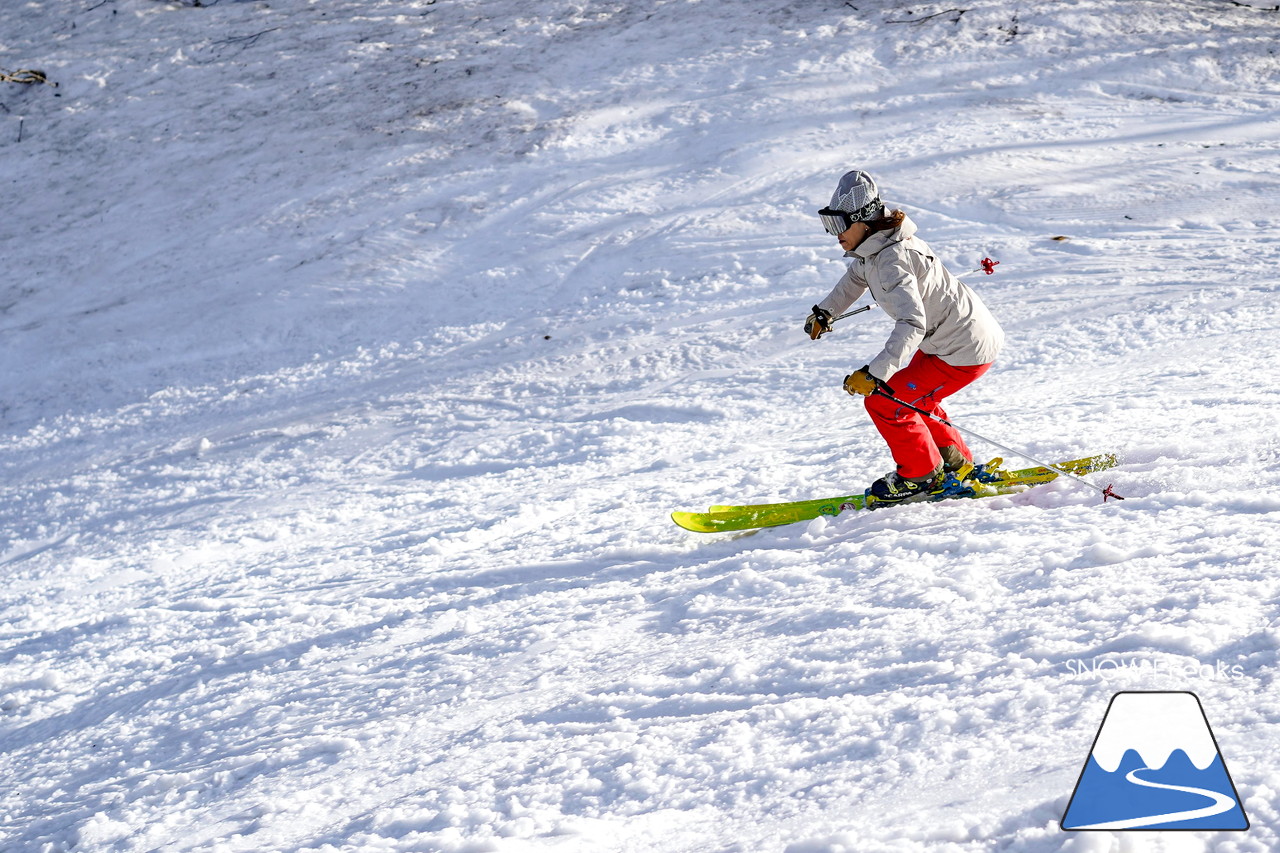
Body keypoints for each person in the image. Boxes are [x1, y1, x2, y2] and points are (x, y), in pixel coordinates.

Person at [804, 169, 1004, 504]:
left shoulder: (890, 260)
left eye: (840, 226)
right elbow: (855, 277)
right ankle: (956, 465)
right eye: (830, 226)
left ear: (863, 222)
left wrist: (874, 374)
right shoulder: (877, 248)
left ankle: (921, 476)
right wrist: (827, 311)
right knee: (916, 399)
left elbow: (911, 323)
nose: (834, 235)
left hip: (962, 348)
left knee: (884, 401)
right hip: (954, 340)